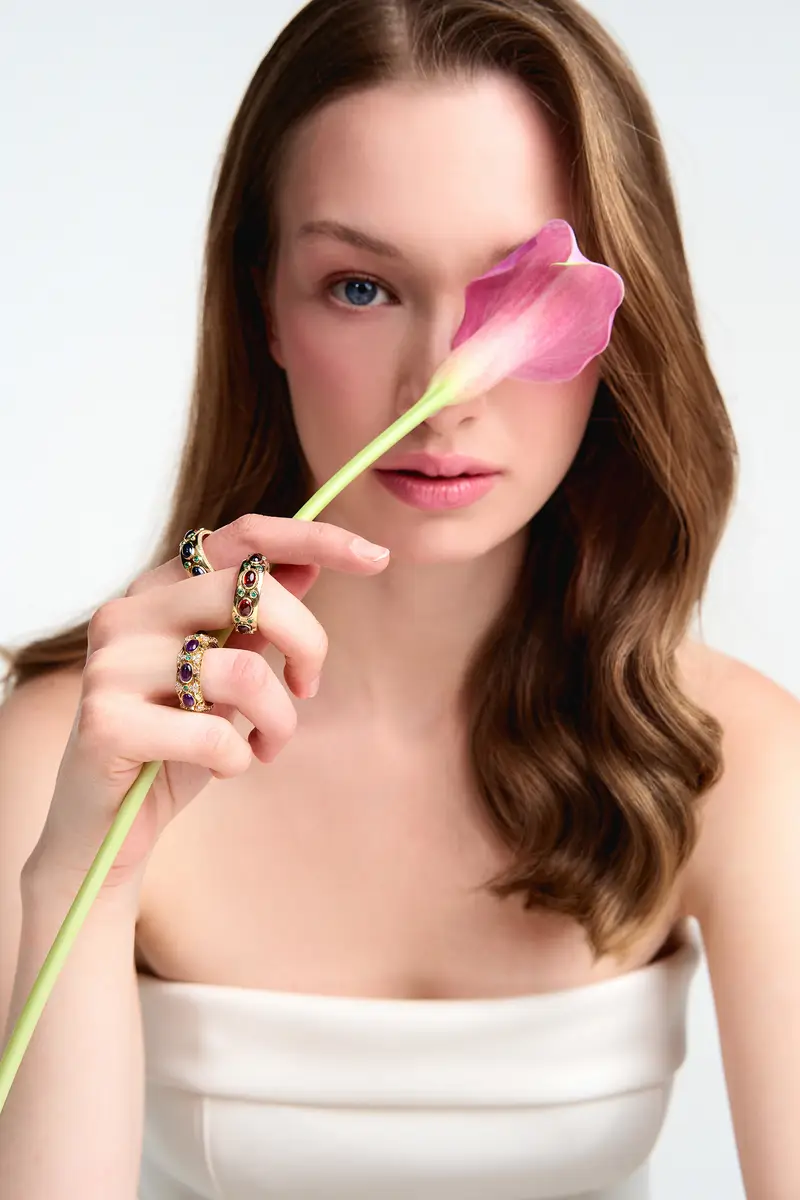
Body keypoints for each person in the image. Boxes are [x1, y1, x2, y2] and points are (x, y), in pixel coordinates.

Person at [0, 0, 797, 1196]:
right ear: (264, 308)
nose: (443, 386)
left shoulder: (735, 756)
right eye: (361, 288)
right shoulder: (73, 750)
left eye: (513, 293)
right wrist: (85, 878)